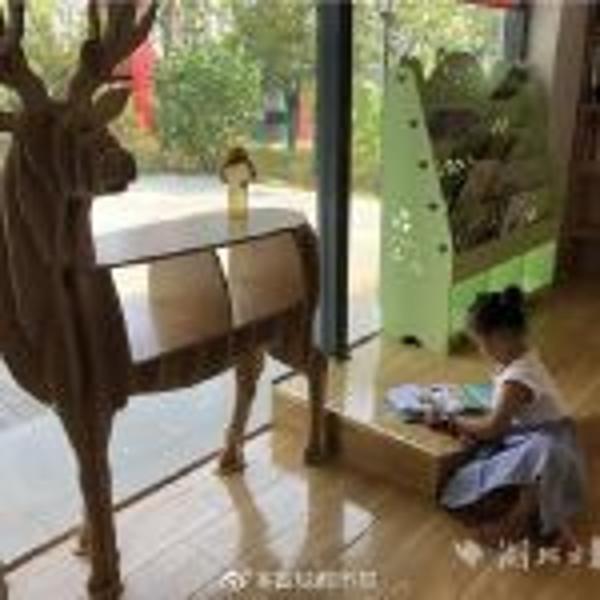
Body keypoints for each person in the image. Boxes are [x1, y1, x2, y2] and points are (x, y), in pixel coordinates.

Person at [426, 286, 587, 549]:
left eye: (481, 344)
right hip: (532, 437)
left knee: (531, 457)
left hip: (552, 448)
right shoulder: (522, 359)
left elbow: (493, 428)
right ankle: (540, 515)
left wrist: (452, 420)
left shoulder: (518, 378)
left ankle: (519, 522)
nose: (482, 351)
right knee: (481, 468)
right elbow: (502, 418)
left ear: (500, 337)